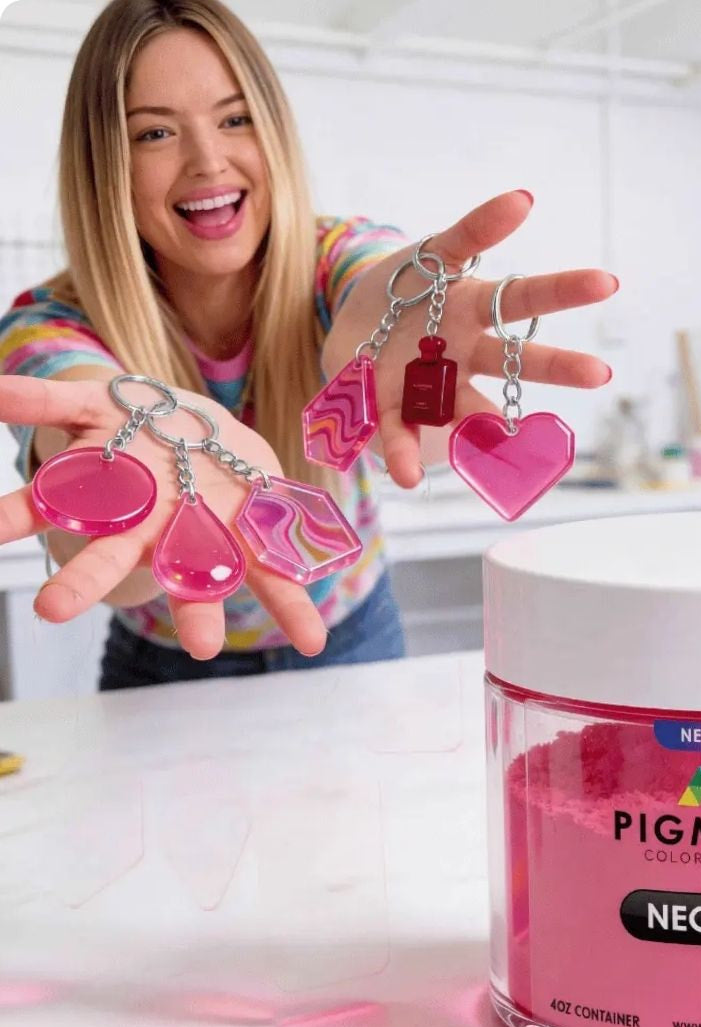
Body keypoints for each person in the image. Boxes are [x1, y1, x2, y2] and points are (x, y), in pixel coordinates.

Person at [0, 0, 616, 690]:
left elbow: (376, 277)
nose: (208, 161)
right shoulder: (46, 323)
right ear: (103, 162)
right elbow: (118, 565)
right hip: (161, 667)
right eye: (153, 135)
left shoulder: (335, 257)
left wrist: (411, 308)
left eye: (235, 119)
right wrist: (119, 465)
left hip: (355, 635)